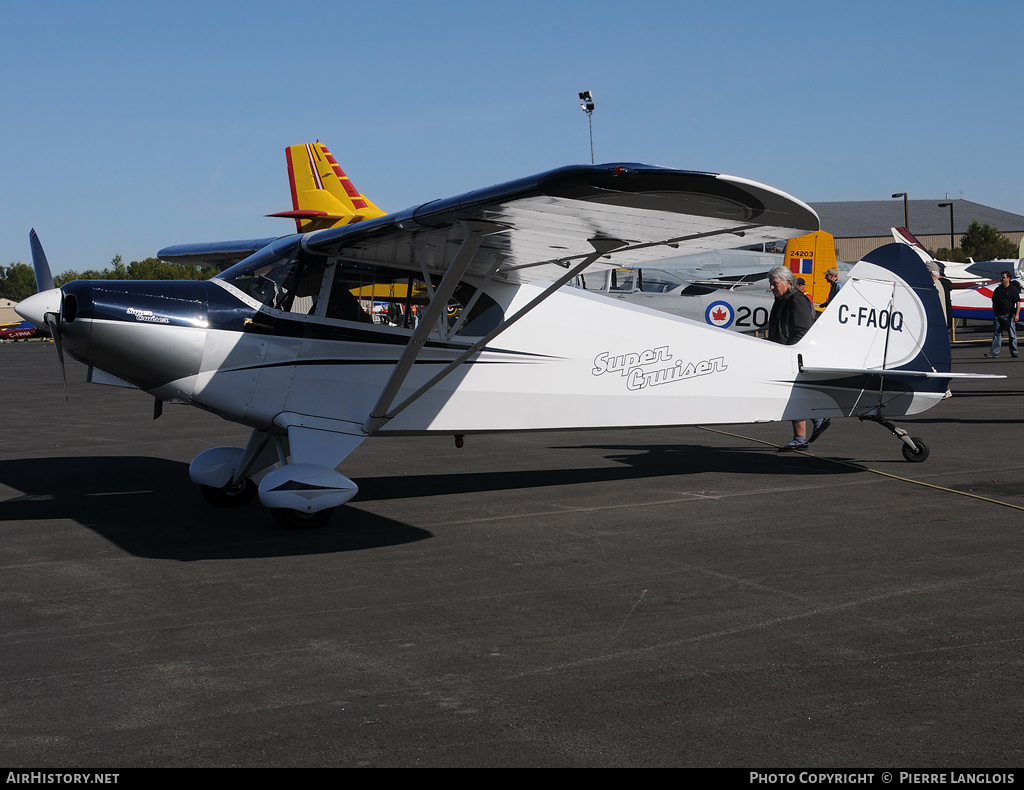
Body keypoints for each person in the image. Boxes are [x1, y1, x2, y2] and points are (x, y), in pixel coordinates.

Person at [767, 266, 830, 451]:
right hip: (784, 352)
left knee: (792, 395)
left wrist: (789, 350)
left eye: (774, 283)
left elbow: (803, 330)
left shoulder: (796, 300)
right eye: (771, 284)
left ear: (787, 282)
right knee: (792, 395)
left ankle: (816, 420)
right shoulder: (783, 298)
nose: (771, 287)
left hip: (793, 355)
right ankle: (803, 435)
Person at [984, 271, 1021, 358]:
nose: (1001, 279)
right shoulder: (998, 290)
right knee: (997, 334)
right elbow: (994, 301)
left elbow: (1018, 303)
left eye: (1003, 277)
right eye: (1001, 277)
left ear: (1008, 278)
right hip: (998, 315)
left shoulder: (1013, 290)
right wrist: (995, 311)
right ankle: (994, 352)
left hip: (1009, 315)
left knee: (1012, 334)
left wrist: (1017, 314)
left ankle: (1014, 351)